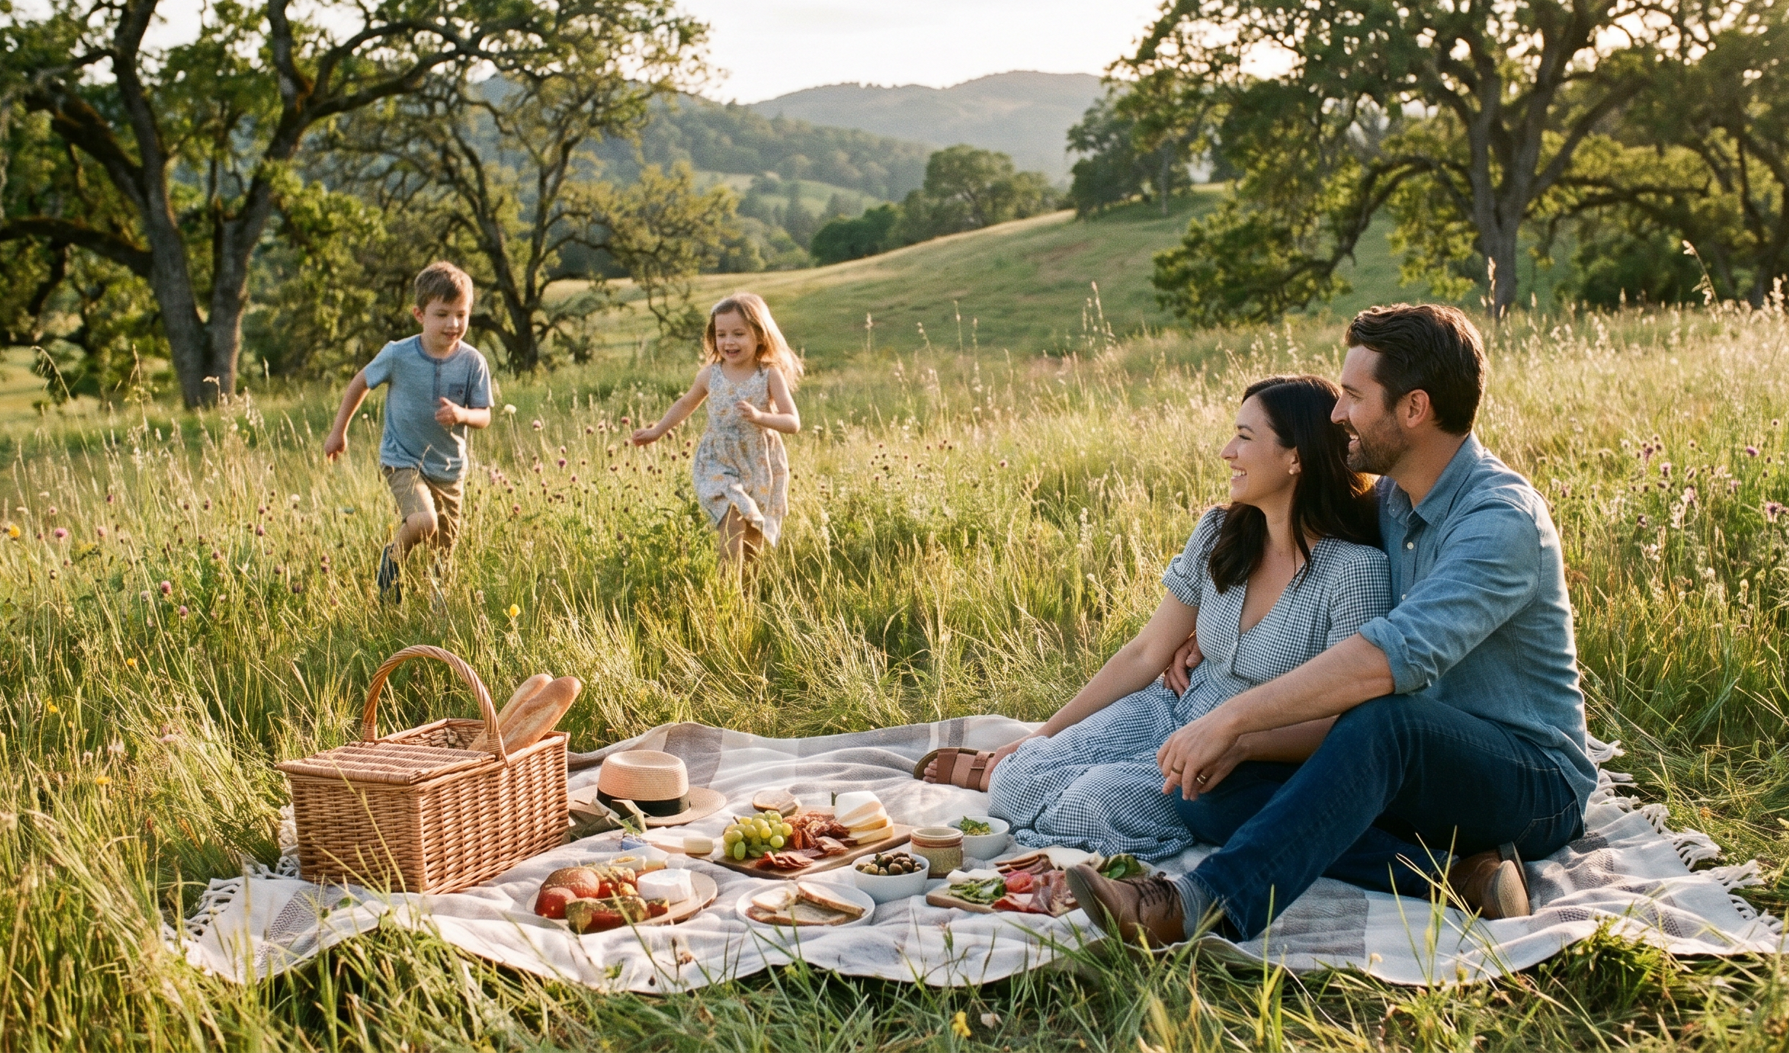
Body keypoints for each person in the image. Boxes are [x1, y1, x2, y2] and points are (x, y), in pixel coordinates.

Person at [1066, 302, 1597, 948]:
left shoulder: (1500, 522)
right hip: (1414, 768)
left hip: (1528, 780)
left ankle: (1196, 902)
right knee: (1208, 791)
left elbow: (1386, 661)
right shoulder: (1395, 499)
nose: (1337, 413)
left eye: (1351, 395)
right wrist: (1202, 632)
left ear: (1414, 408)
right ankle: (1456, 878)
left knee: (1382, 721)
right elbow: (1303, 537)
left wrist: (1232, 716)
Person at [913, 376, 1390, 861]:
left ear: (1296, 457)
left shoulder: (1354, 572)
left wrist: (1244, 739)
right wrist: (1041, 735)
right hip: (1170, 705)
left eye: (1245, 437)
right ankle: (1020, 776)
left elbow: (1341, 719)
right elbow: (1145, 653)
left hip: (1245, 747)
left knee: (1092, 804)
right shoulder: (1221, 533)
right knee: (1020, 775)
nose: (1227, 451)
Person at [323, 261, 493, 603]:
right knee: (422, 521)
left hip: (449, 469)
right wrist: (338, 431)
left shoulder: (473, 362)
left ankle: (437, 614)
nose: (453, 324)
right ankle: (392, 560)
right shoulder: (398, 355)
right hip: (403, 459)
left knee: (444, 554)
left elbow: (484, 416)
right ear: (419, 314)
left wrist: (462, 414)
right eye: (442, 314)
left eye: (461, 314)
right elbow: (360, 383)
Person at [630, 293, 803, 569]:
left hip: (759, 463)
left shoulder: (768, 374)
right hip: (718, 461)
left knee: (752, 542)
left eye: (738, 333)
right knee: (732, 522)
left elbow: (793, 422)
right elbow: (686, 403)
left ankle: (744, 600)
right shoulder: (711, 375)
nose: (729, 342)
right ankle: (728, 596)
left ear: (759, 335)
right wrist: (658, 430)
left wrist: (760, 416)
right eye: (721, 334)